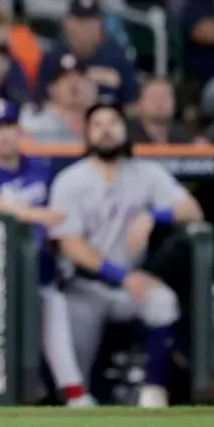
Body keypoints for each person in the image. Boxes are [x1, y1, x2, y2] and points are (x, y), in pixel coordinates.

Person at [48, 99, 204, 407]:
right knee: (74, 385)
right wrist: (122, 276)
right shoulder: (71, 180)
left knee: (163, 302)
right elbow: (70, 245)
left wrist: (153, 216)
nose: (106, 131)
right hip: (84, 287)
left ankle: (153, 393)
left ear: (125, 130)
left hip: (133, 284)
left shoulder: (146, 173)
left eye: (113, 123)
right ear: (87, 133)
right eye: (98, 125)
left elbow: (192, 210)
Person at [0, 99, 97, 406]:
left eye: (8, 126)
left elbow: (67, 210)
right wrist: (36, 215)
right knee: (50, 301)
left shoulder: (40, 168)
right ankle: (72, 392)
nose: (3, 135)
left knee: (57, 300)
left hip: (41, 270)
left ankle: (70, 391)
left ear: (19, 131)